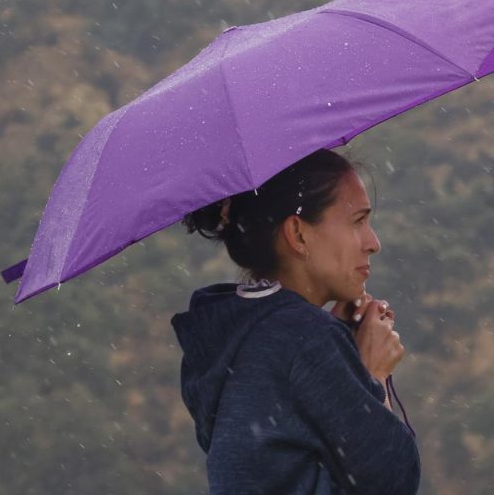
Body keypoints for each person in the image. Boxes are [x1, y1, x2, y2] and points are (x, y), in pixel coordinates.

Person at [173, 148, 421, 495]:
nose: (373, 243)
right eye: (358, 221)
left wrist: (344, 357)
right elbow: (393, 480)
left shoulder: (235, 331)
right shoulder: (305, 339)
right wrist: (372, 375)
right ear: (299, 234)